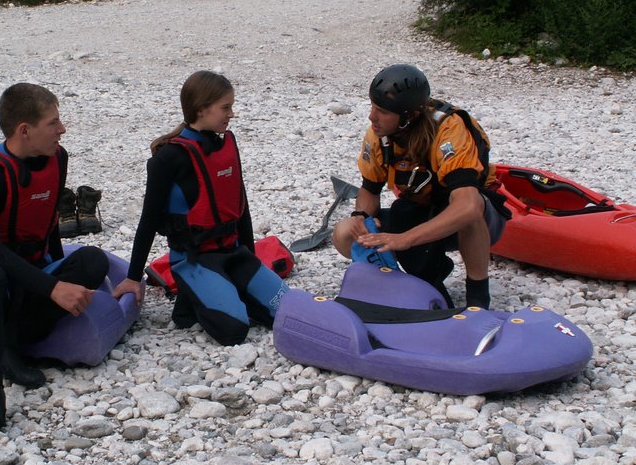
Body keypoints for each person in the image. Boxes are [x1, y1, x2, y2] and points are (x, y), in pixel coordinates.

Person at [0, 82, 120, 435]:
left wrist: (59, 276)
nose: (62, 129)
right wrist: (54, 288)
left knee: (92, 261)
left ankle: (10, 343)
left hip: (34, 271)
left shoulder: (57, 158)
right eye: (53, 123)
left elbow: (47, 226)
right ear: (24, 131)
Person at [113, 71, 289, 345]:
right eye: (226, 107)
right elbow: (148, 221)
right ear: (201, 109)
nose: (232, 114)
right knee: (233, 331)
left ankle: (224, 290)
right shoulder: (169, 158)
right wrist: (134, 277)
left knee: (288, 312)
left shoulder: (226, 147)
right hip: (193, 259)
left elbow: (241, 209)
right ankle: (192, 299)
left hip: (233, 253)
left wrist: (251, 261)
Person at [332, 64, 509, 308]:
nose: (372, 117)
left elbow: (468, 205)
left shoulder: (449, 130)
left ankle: (478, 298)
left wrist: (404, 240)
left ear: (410, 116)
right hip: (419, 214)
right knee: (344, 232)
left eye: (382, 111)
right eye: (373, 106)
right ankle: (417, 283)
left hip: (477, 220)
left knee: (471, 210)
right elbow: (369, 191)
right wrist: (361, 216)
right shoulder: (379, 135)